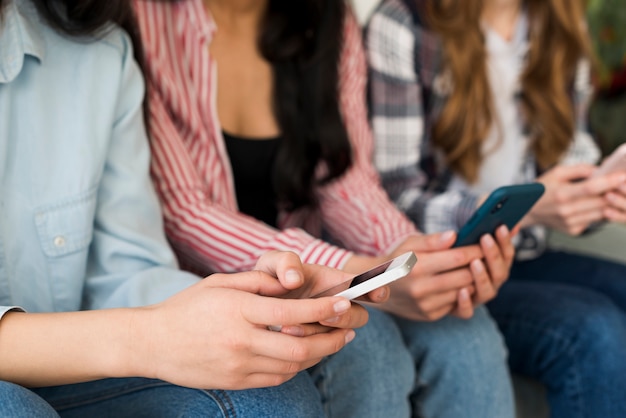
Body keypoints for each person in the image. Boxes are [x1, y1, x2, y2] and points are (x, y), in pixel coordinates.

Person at [134, 0, 518, 416]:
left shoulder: (329, 18)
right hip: (199, 291)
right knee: (368, 347)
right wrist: (359, 272)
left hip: (324, 269)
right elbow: (183, 211)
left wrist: (407, 254)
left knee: (465, 330)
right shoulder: (144, 18)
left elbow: (344, 179)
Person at [0, 0, 377, 416]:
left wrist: (250, 300)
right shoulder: (153, 23)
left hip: (77, 366)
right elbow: (184, 210)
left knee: (274, 395)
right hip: (67, 362)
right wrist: (148, 337)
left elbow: (125, 270)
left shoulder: (97, 51)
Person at [366, 0, 626, 416]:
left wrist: (597, 194)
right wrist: (530, 205)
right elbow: (394, 203)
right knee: (594, 331)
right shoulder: (403, 24)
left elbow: (571, 161)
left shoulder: (558, 22)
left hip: (526, 254)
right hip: (451, 265)